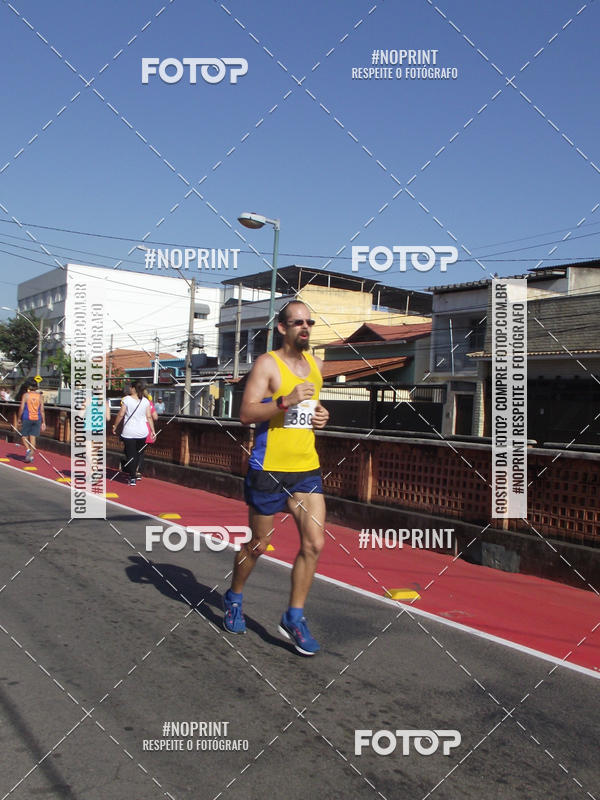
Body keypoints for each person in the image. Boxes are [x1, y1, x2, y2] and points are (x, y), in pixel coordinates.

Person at [222, 300, 329, 655]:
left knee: (314, 543)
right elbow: (246, 413)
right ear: (282, 328)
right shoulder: (268, 364)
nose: (305, 328)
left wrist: (321, 418)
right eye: (297, 322)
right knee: (259, 545)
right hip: (268, 468)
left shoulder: (317, 365)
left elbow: (309, 411)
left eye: (309, 322)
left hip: (306, 469)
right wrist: (284, 401)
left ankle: (294, 616)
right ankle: (235, 595)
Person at [112, 382, 155, 486]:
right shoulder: (145, 401)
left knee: (130, 454)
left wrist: (115, 425)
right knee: (137, 453)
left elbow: (121, 414)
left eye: (130, 387)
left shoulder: (126, 399)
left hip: (129, 431)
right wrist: (153, 431)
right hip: (142, 432)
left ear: (133, 389)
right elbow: (149, 416)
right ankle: (134, 473)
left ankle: (132, 476)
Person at [17, 380, 46, 462]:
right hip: (37, 418)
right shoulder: (40, 396)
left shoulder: (26, 395)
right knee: (33, 437)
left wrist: (19, 418)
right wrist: (44, 422)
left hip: (27, 418)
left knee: (23, 436)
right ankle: (30, 455)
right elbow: (42, 410)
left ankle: (28, 450)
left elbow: (22, 408)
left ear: (29, 387)